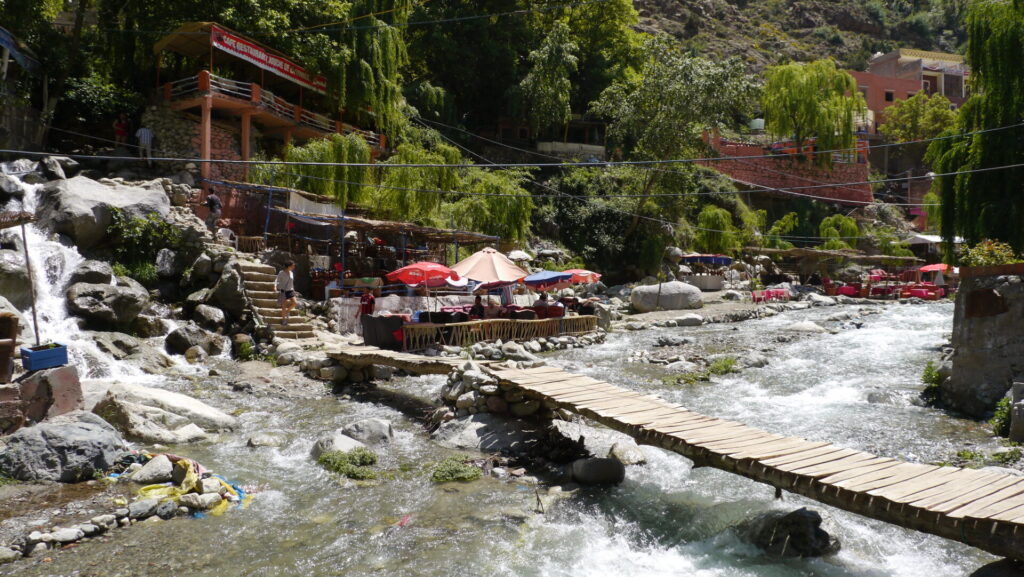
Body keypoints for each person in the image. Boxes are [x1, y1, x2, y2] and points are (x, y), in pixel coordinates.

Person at [275, 260, 297, 326]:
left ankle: (287, 312)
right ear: (289, 266)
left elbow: (291, 282)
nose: (294, 266)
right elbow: (277, 280)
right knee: (283, 306)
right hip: (283, 291)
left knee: (295, 303)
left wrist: (294, 290)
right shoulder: (281, 272)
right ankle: (283, 320)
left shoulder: (291, 273)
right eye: (293, 265)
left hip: (290, 290)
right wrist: (275, 286)